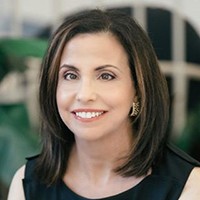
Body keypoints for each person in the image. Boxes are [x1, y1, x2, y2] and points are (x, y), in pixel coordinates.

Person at [8, 9, 200, 200]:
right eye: (70, 75)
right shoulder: (27, 182)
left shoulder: (187, 186)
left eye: (106, 76)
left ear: (138, 91)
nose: (84, 94)